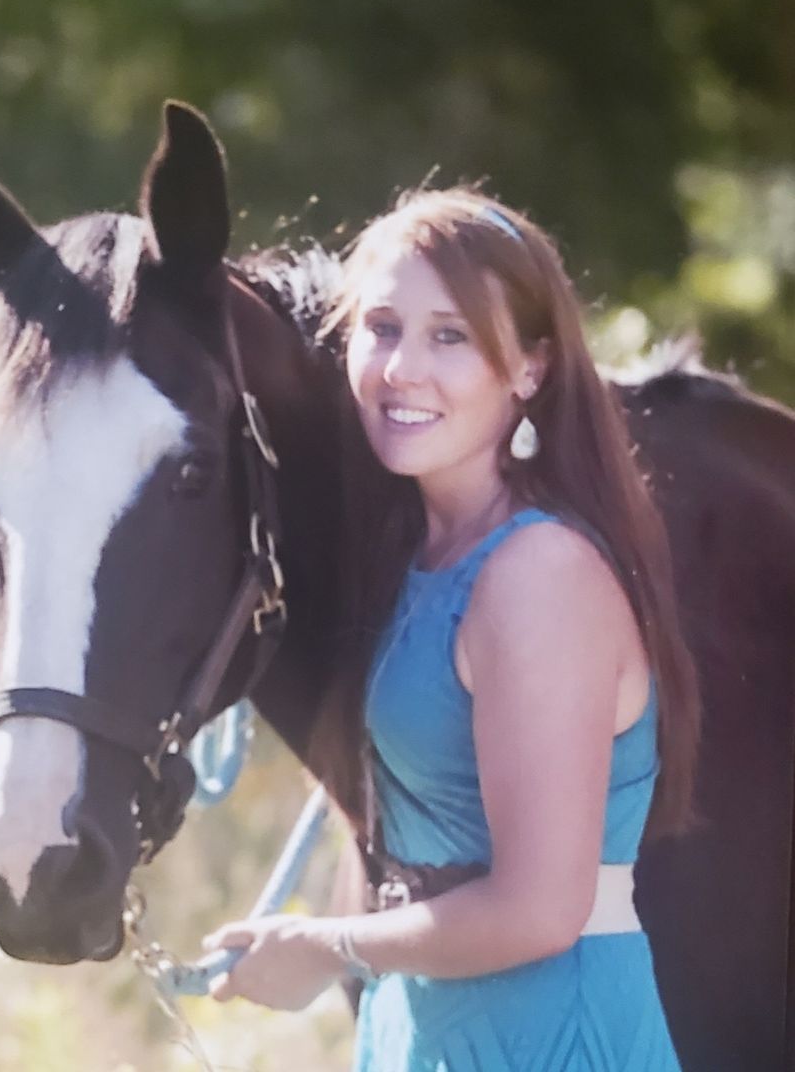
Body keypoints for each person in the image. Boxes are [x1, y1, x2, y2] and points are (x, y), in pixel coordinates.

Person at [202, 188, 701, 1070]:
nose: (402, 368)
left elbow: (542, 910)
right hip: (424, 1027)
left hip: (545, 1035)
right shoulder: (426, 558)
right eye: (383, 327)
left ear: (530, 370)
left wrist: (329, 948)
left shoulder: (536, 577)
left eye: (451, 336)